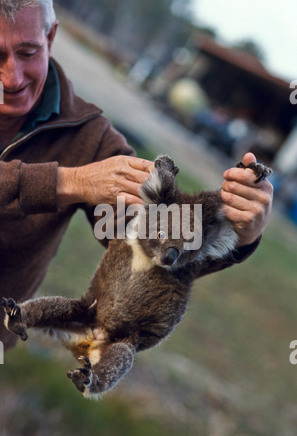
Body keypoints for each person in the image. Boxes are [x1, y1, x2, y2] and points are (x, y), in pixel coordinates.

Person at [0, 0, 273, 351]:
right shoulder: (84, 170)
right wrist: (69, 182)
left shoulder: (91, 139)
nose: (12, 77)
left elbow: (155, 246)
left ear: (51, 36)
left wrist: (241, 233)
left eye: (27, 52)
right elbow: (73, 182)